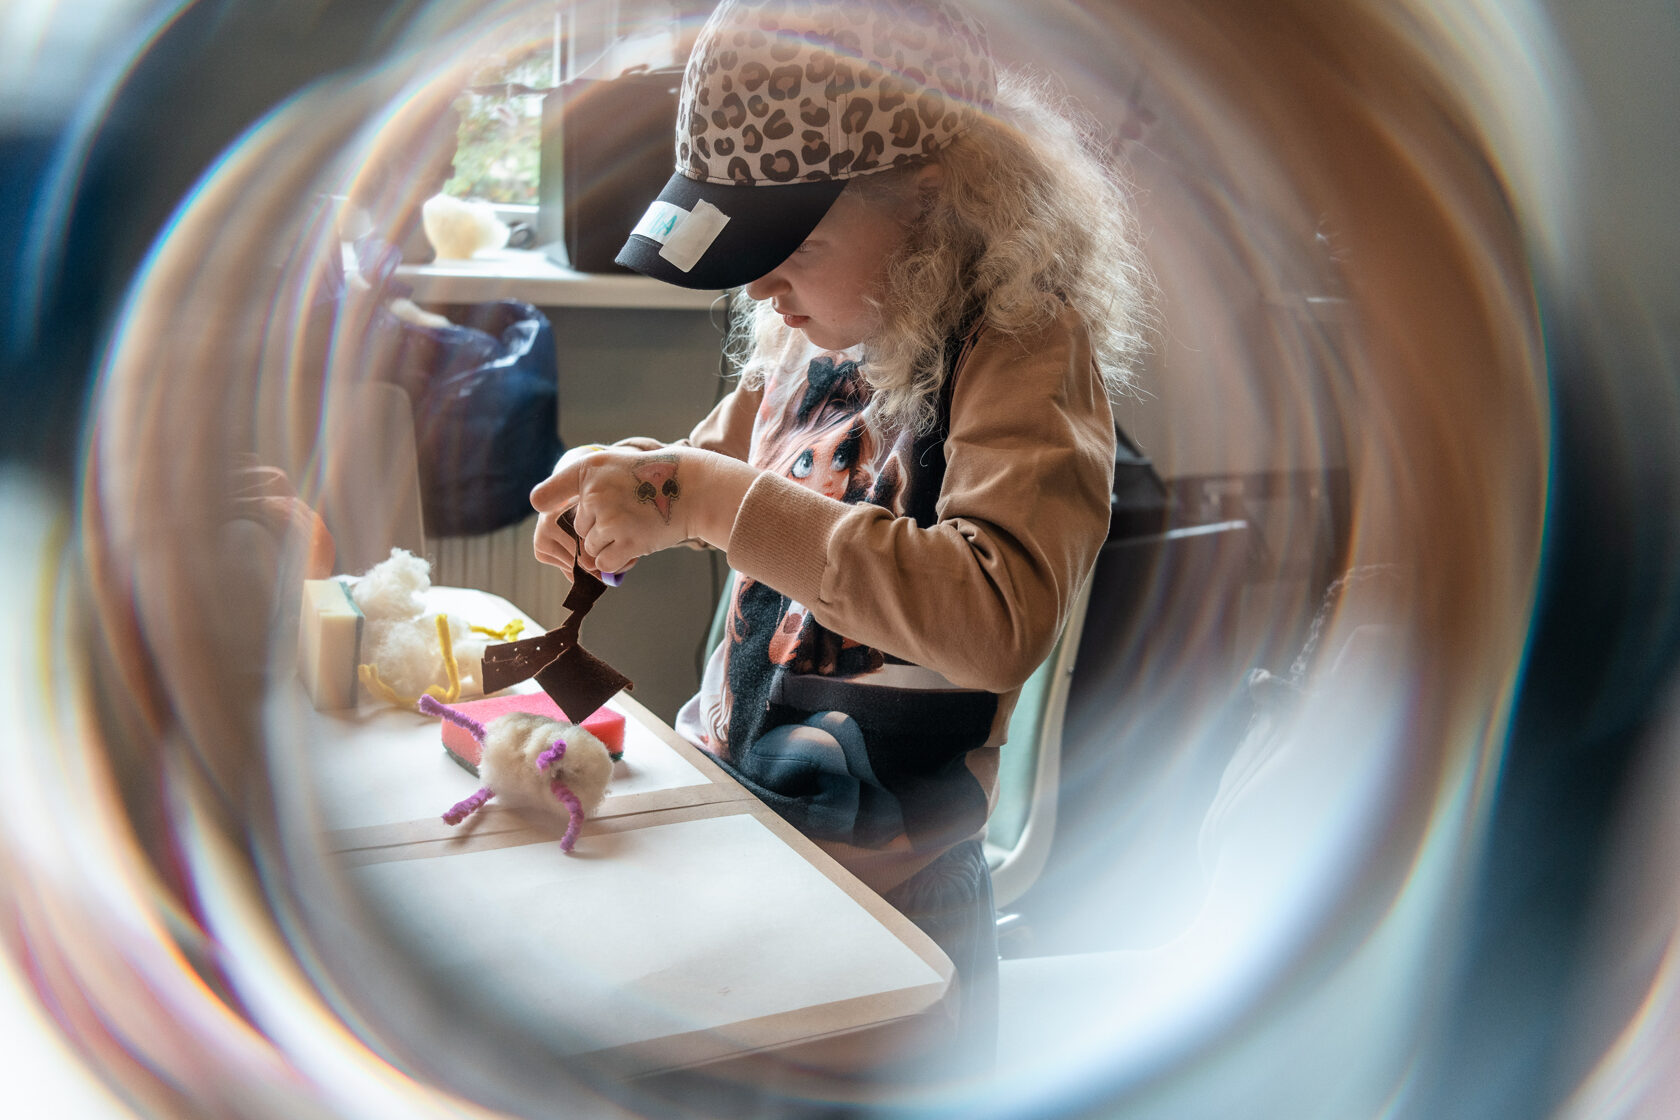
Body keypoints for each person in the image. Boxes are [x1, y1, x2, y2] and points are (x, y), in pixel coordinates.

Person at [529, 0, 1151, 1079]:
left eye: (794, 246)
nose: (760, 285)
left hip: (894, 907)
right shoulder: (809, 334)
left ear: (935, 196)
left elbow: (996, 617)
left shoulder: (1020, 349)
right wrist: (631, 484)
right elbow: (715, 475)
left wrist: (704, 498)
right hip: (747, 833)